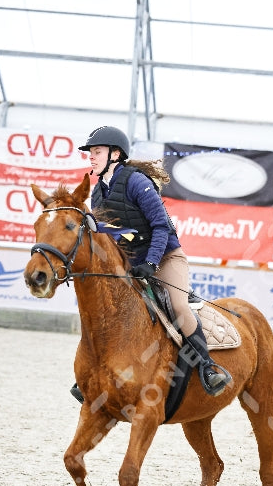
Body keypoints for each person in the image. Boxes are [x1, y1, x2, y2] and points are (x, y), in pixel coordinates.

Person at [70, 125, 230, 403]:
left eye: (96, 152)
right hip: (132, 264)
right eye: (90, 153)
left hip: (166, 257)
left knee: (178, 306)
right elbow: (110, 237)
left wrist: (152, 262)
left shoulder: (136, 182)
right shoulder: (97, 194)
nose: (91, 158)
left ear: (115, 154)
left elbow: (160, 226)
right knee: (107, 310)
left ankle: (207, 367)